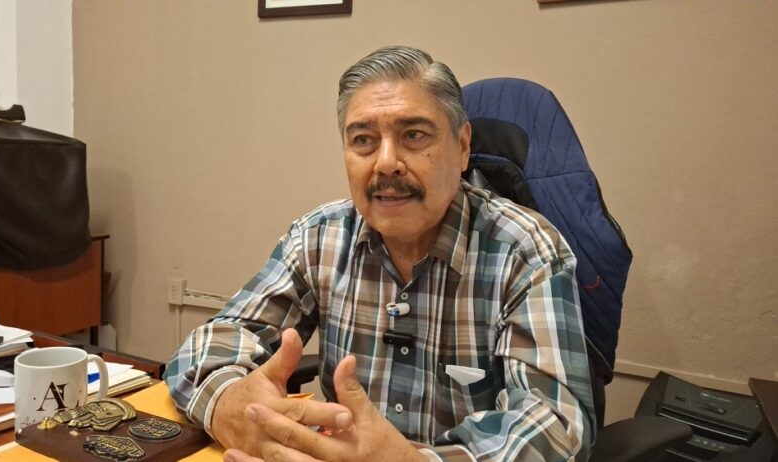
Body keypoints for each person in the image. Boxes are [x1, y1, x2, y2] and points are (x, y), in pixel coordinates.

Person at [165, 45, 596, 462]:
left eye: (413, 135)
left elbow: (556, 426)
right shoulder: (319, 238)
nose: (386, 163)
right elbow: (206, 347)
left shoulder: (524, 250)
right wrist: (230, 405)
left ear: (463, 146)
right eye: (363, 140)